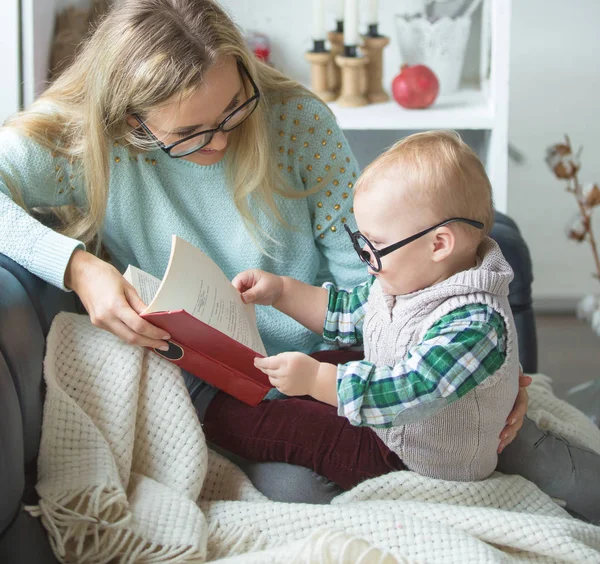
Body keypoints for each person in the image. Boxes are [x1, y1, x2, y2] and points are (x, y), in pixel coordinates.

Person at [0, 0, 542, 504]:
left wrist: (483, 385)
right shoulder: (88, 146)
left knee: (313, 488)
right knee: (299, 491)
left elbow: (379, 284)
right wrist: (76, 266)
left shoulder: (296, 123)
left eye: (233, 110)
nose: (219, 142)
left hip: (337, 364)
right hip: (212, 384)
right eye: (189, 134)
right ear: (130, 122)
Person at [225, 130, 520, 483]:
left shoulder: (476, 323)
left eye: (376, 245)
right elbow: (347, 312)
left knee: (290, 424)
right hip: (383, 412)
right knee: (286, 378)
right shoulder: (404, 279)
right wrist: (281, 292)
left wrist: (315, 380)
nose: (366, 256)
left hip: (413, 459)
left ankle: (213, 415)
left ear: (439, 245)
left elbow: (413, 389)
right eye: (362, 242)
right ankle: (247, 392)